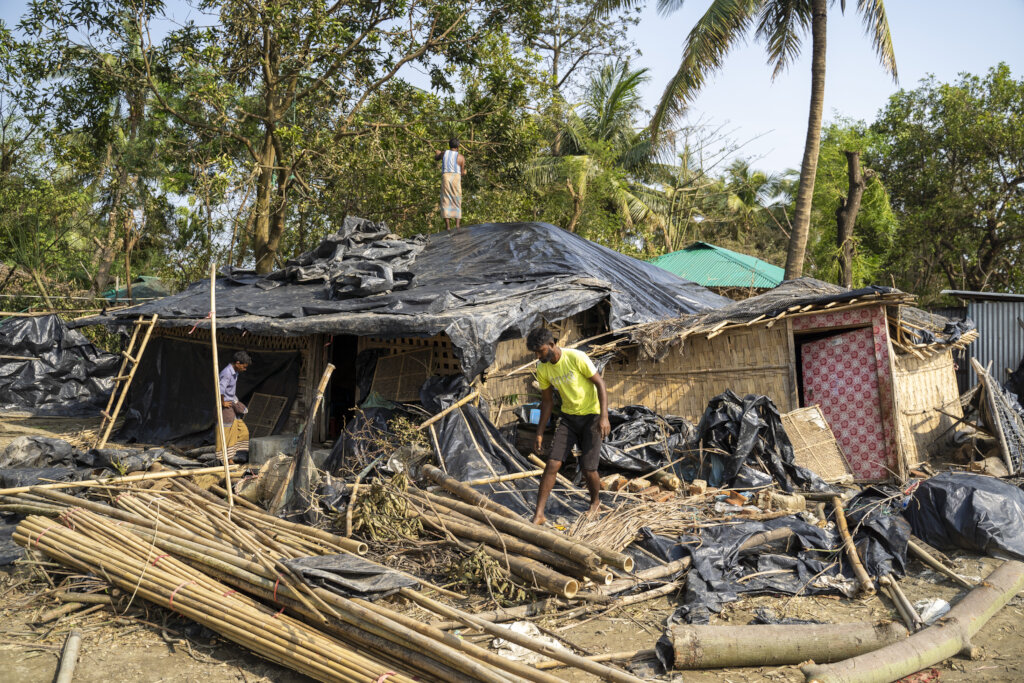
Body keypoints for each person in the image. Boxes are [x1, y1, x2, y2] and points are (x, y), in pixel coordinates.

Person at [526, 327, 610, 525]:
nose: (538, 356)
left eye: (540, 351)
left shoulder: (576, 358)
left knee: (589, 469)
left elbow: (600, 384)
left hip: (592, 417)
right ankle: (539, 514)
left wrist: (604, 416)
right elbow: (547, 402)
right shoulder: (542, 368)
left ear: (552, 345)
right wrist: (539, 432)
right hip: (568, 419)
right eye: (535, 353)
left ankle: (595, 502)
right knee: (552, 464)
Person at [217, 350, 251, 462]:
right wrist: (222, 402)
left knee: (241, 431)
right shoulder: (227, 373)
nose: (244, 369)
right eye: (244, 367)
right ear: (237, 363)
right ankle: (226, 459)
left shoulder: (234, 372)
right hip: (226, 407)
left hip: (232, 403)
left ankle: (230, 457)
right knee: (227, 432)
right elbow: (220, 389)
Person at [434, 138, 466, 230]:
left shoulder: (444, 153)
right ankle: (457, 225)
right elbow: (462, 172)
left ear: (449, 145)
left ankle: (448, 226)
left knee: (446, 199)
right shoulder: (461, 157)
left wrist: (437, 153)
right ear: (458, 146)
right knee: (457, 199)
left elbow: (436, 158)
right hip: (456, 177)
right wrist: (465, 172)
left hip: (446, 177)